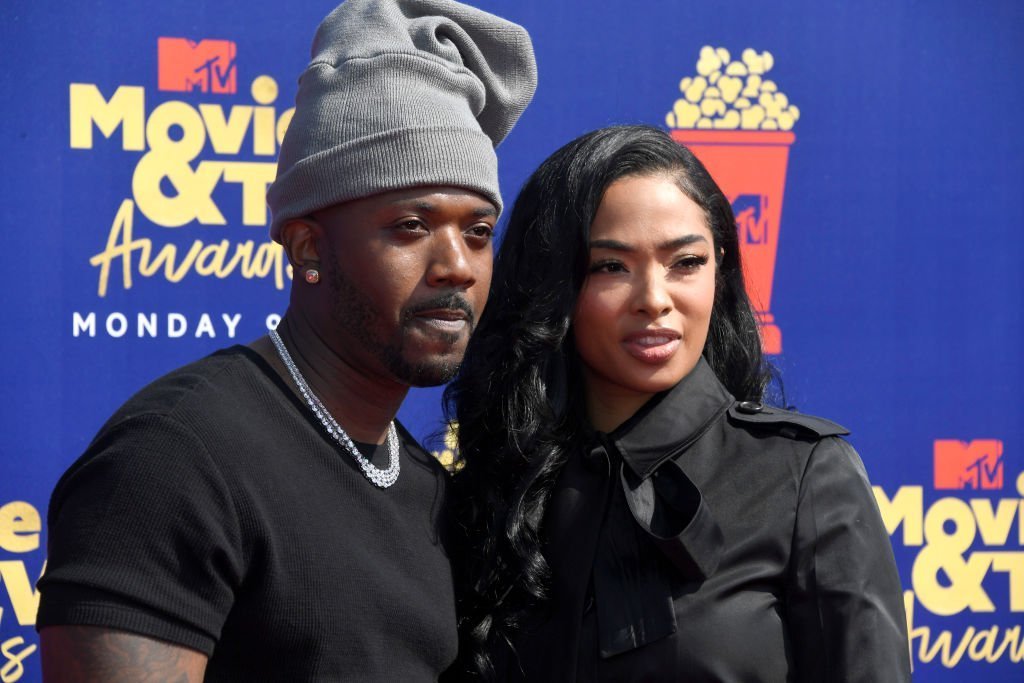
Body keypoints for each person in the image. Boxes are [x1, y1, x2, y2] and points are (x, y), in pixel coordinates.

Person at [36, 1, 536, 680]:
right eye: (412, 225)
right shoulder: (173, 461)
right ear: (307, 248)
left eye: (477, 231)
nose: (458, 264)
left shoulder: (423, 485)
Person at [445, 125, 911, 682]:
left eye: (685, 262)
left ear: (720, 270)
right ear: (552, 285)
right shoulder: (490, 491)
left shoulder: (803, 476)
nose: (654, 300)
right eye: (611, 267)